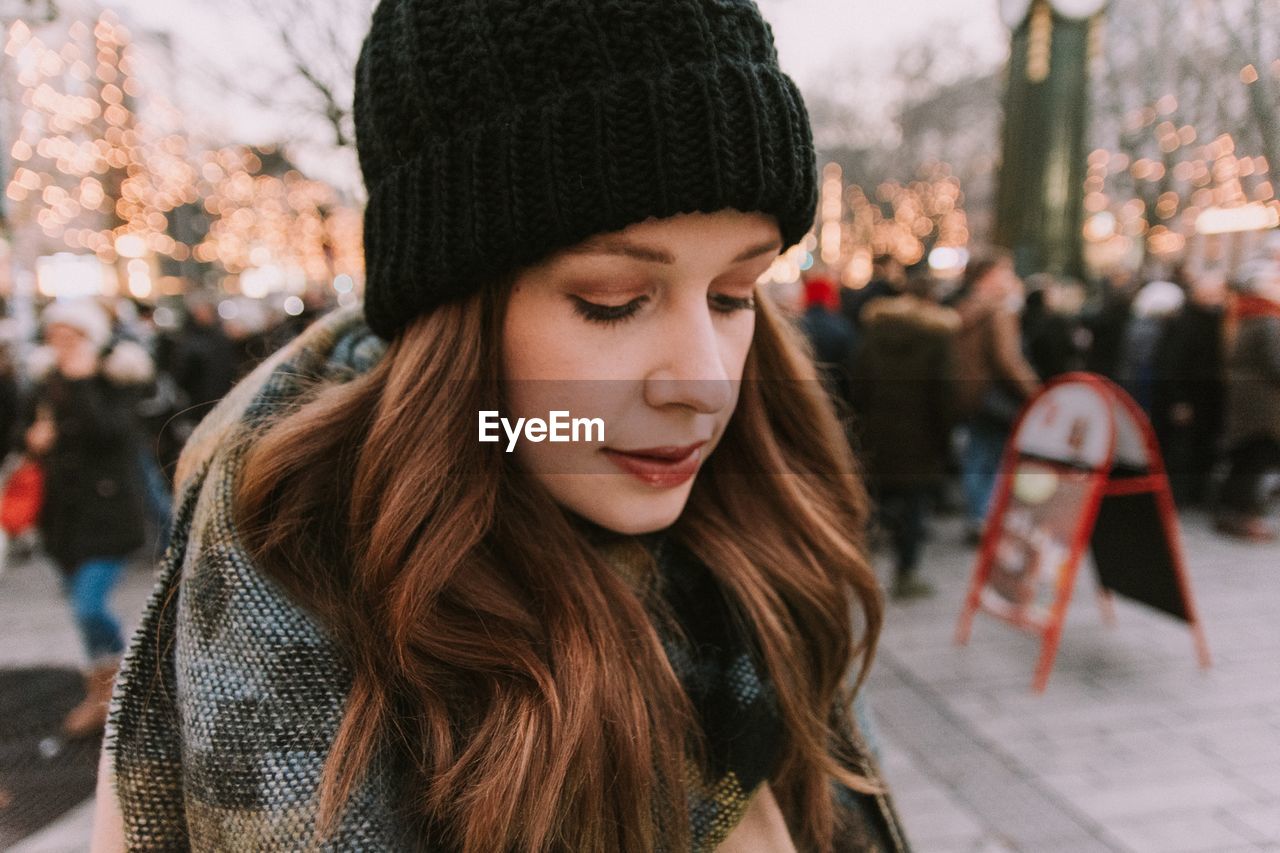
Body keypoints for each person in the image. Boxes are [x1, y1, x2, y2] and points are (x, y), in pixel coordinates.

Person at [97, 2, 909, 850]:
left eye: (735, 294)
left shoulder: (768, 541)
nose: (702, 383)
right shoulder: (285, 598)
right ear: (455, 316)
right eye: (613, 302)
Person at [24, 300, 152, 737]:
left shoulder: (114, 378)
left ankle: (120, 684)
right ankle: (100, 691)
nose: (62, 346)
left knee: (89, 605)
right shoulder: (46, 383)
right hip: (62, 518)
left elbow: (112, 434)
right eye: (55, 336)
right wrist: (34, 441)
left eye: (71, 336)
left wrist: (82, 383)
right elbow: (22, 433)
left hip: (108, 514)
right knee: (81, 614)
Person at [850, 270, 959, 599]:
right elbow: (943, 395)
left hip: (876, 433)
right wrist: (944, 438)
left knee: (871, 502)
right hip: (919, 438)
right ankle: (906, 574)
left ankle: (859, 571)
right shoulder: (937, 337)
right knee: (913, 508)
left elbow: (858, 384)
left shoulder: (875, 330)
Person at [951, 253, 1041, 541]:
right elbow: (1008, 360)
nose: (1010, 279)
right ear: (987, 276)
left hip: (969, 394)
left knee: (977, 455)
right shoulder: (999, 311)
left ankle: (977, 515)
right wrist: (1036, 392)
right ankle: (987, 518)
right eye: (1005, 272)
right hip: (994, 397)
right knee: (995, 459)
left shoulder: (964, 309)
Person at [1216, 260, 1280, 540]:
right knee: (1254, 459)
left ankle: (1230, 513)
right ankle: (1245, 517)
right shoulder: (1268, 319)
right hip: (1263, 404)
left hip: (1245, 401)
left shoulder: (1243, 315)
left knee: (1244, 458)